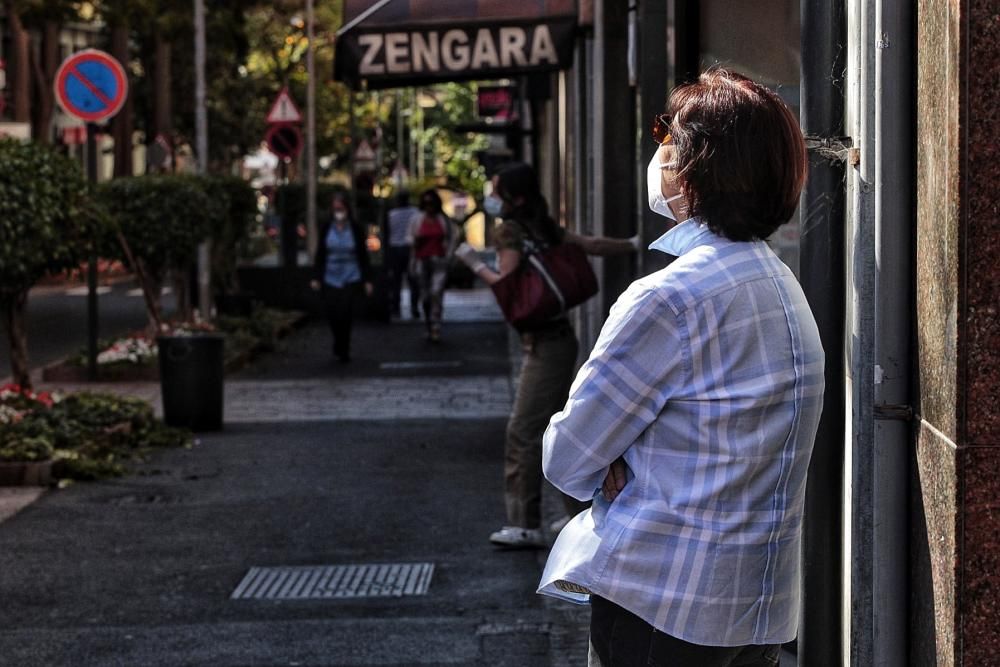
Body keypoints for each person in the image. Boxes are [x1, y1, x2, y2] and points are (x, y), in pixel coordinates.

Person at [536, 67, 825, 666]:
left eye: (669, 141)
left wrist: (619, 450)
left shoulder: (671, 297)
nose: (659, 154)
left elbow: (566, 458)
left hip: (662, 603)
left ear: (695, 172)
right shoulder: (779, 283)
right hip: (755, 608)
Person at [453, 162, 639, 549]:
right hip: (560, 338)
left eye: (496, 190)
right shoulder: (544, 226)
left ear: (512, 196)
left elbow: (505, 283)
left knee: (523, 431)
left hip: (543, 344)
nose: (491, 198)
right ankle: (582, 515)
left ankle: (524, 523)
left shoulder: (509, 232)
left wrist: (471, 262)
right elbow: (592, 245)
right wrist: (636, 244)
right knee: (561, 428)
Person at [310, 194, 373, 363]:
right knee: (332, 312)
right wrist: (316, 276)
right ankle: (338, 342)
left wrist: (367, 279)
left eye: (341, 209)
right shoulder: (326, 228)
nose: (338, 212)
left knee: (345, 311)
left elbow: (363, 255)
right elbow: (320, 253)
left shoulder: (355, 228)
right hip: (330, 275)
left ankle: (344, 347)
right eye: (336, 209)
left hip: (351, 274)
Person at [408, 189, 459, 342]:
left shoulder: (443, 220)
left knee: (436, 292)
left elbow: (452, 238)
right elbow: (410, 237)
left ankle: (435, 324)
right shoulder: (418, 219)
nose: (429, 207)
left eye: (432, 204)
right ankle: (429, 323)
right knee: (425, 295)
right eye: (427, 204)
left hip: (439, 260)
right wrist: (416, 242)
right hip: (422, 259)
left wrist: (448, 256)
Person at [386, 191, 421, 319]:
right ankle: (414, 307)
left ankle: (396, 308)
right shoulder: (415, 212)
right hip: (410, 248)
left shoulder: (391, 214)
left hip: (395, 248)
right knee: (413, 280)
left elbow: (388, 232)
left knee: (397, 281)